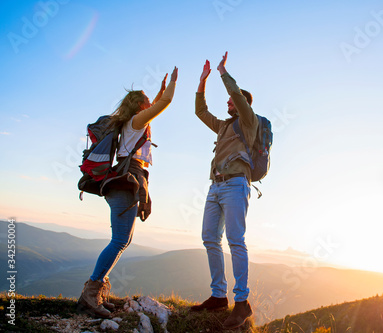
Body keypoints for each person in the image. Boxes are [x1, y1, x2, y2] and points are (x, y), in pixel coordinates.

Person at [77, 66, 178, 318]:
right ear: (139, 105)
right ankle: (90, 294)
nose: (149, 101)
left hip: (130, 180)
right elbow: (162, 105)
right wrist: (174, 84)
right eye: (146, 98)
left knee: (123, 241)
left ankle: (95, 291)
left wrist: (161, 90)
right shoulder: (136, 122)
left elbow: (156, 104)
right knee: (119, 241)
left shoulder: (134, 122)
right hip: (125, 182)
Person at [191, 52, 257, 330]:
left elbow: (238, 97)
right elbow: (200, 112)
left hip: (235, 185)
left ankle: (241, 303)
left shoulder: (248, 121)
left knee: (235, 241)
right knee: (209, 237)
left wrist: (222, 72)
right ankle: (219, 295)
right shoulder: (223, 126)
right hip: (215, 187)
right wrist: (202, 82)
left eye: (231, 100)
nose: (228, 102)